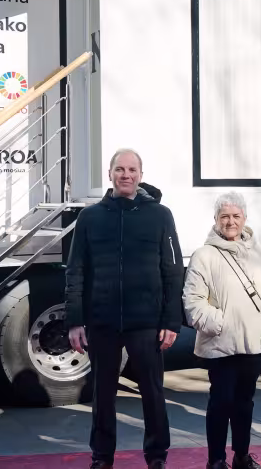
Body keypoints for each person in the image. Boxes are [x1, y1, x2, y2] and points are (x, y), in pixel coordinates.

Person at [65, 149, 185, 469]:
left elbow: (173, 271)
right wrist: (75, 320)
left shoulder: (160, 216)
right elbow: (75, 270)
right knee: (102, 394)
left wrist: (172, 321)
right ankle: (102, 457)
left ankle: (157, 456)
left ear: (141, 176)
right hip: (102, 320)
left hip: (146, 321)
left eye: (132, 170)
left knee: (152, 392)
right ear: (110, 174)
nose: (126, 175)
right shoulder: (90, 217)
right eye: (120, 169)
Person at [183, 192, 261, 469]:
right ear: (216, 220)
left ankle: (242, 456)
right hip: (220, 344)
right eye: (224, 217)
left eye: (235, 216)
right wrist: (219, 323)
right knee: (220, 403)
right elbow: (192, 301)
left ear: (244, 218)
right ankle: (216, 460)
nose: (230, 222)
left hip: (254, 343)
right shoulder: (204, 255)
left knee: (245, 403)